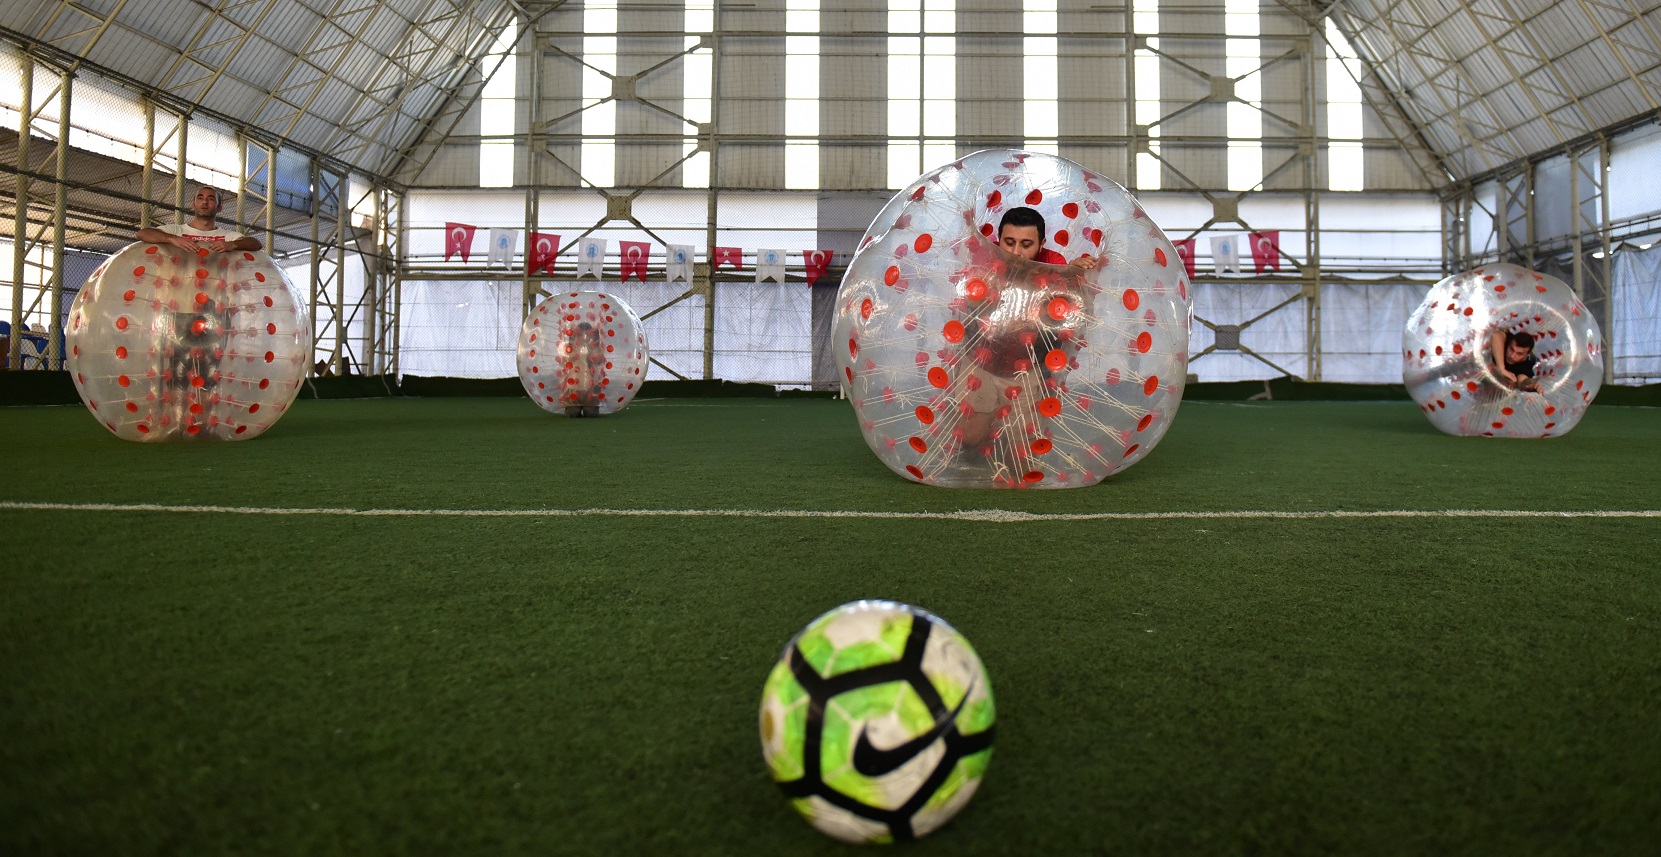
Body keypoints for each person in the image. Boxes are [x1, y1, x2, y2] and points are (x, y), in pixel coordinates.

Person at [135, 186, 263, 254]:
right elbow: (142, 233)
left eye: (211, 199)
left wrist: (233, 244)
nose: (205, 202)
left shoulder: (227, 236)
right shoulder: (176, 230)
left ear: (219, 208)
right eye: (200, 198)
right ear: (193, 205)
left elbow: (255, 244)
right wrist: (172, 239)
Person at [995, 207, 1097, 269]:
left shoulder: (1053, 263)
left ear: (1041, 244)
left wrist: (1072, 273)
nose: (1015, 252)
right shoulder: (986, 253)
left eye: (1026, 245)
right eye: (1009, 243)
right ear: (999, 238)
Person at [1488, 329, 1541, 393]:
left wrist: (1533, 385)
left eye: (1519, 354)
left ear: (1527, 355)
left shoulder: (1526, 367)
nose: (1512, 356)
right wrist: (1501, 368)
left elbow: (1523, 381)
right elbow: (1495, 335)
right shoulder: (1508, 339)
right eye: (1511, 349)